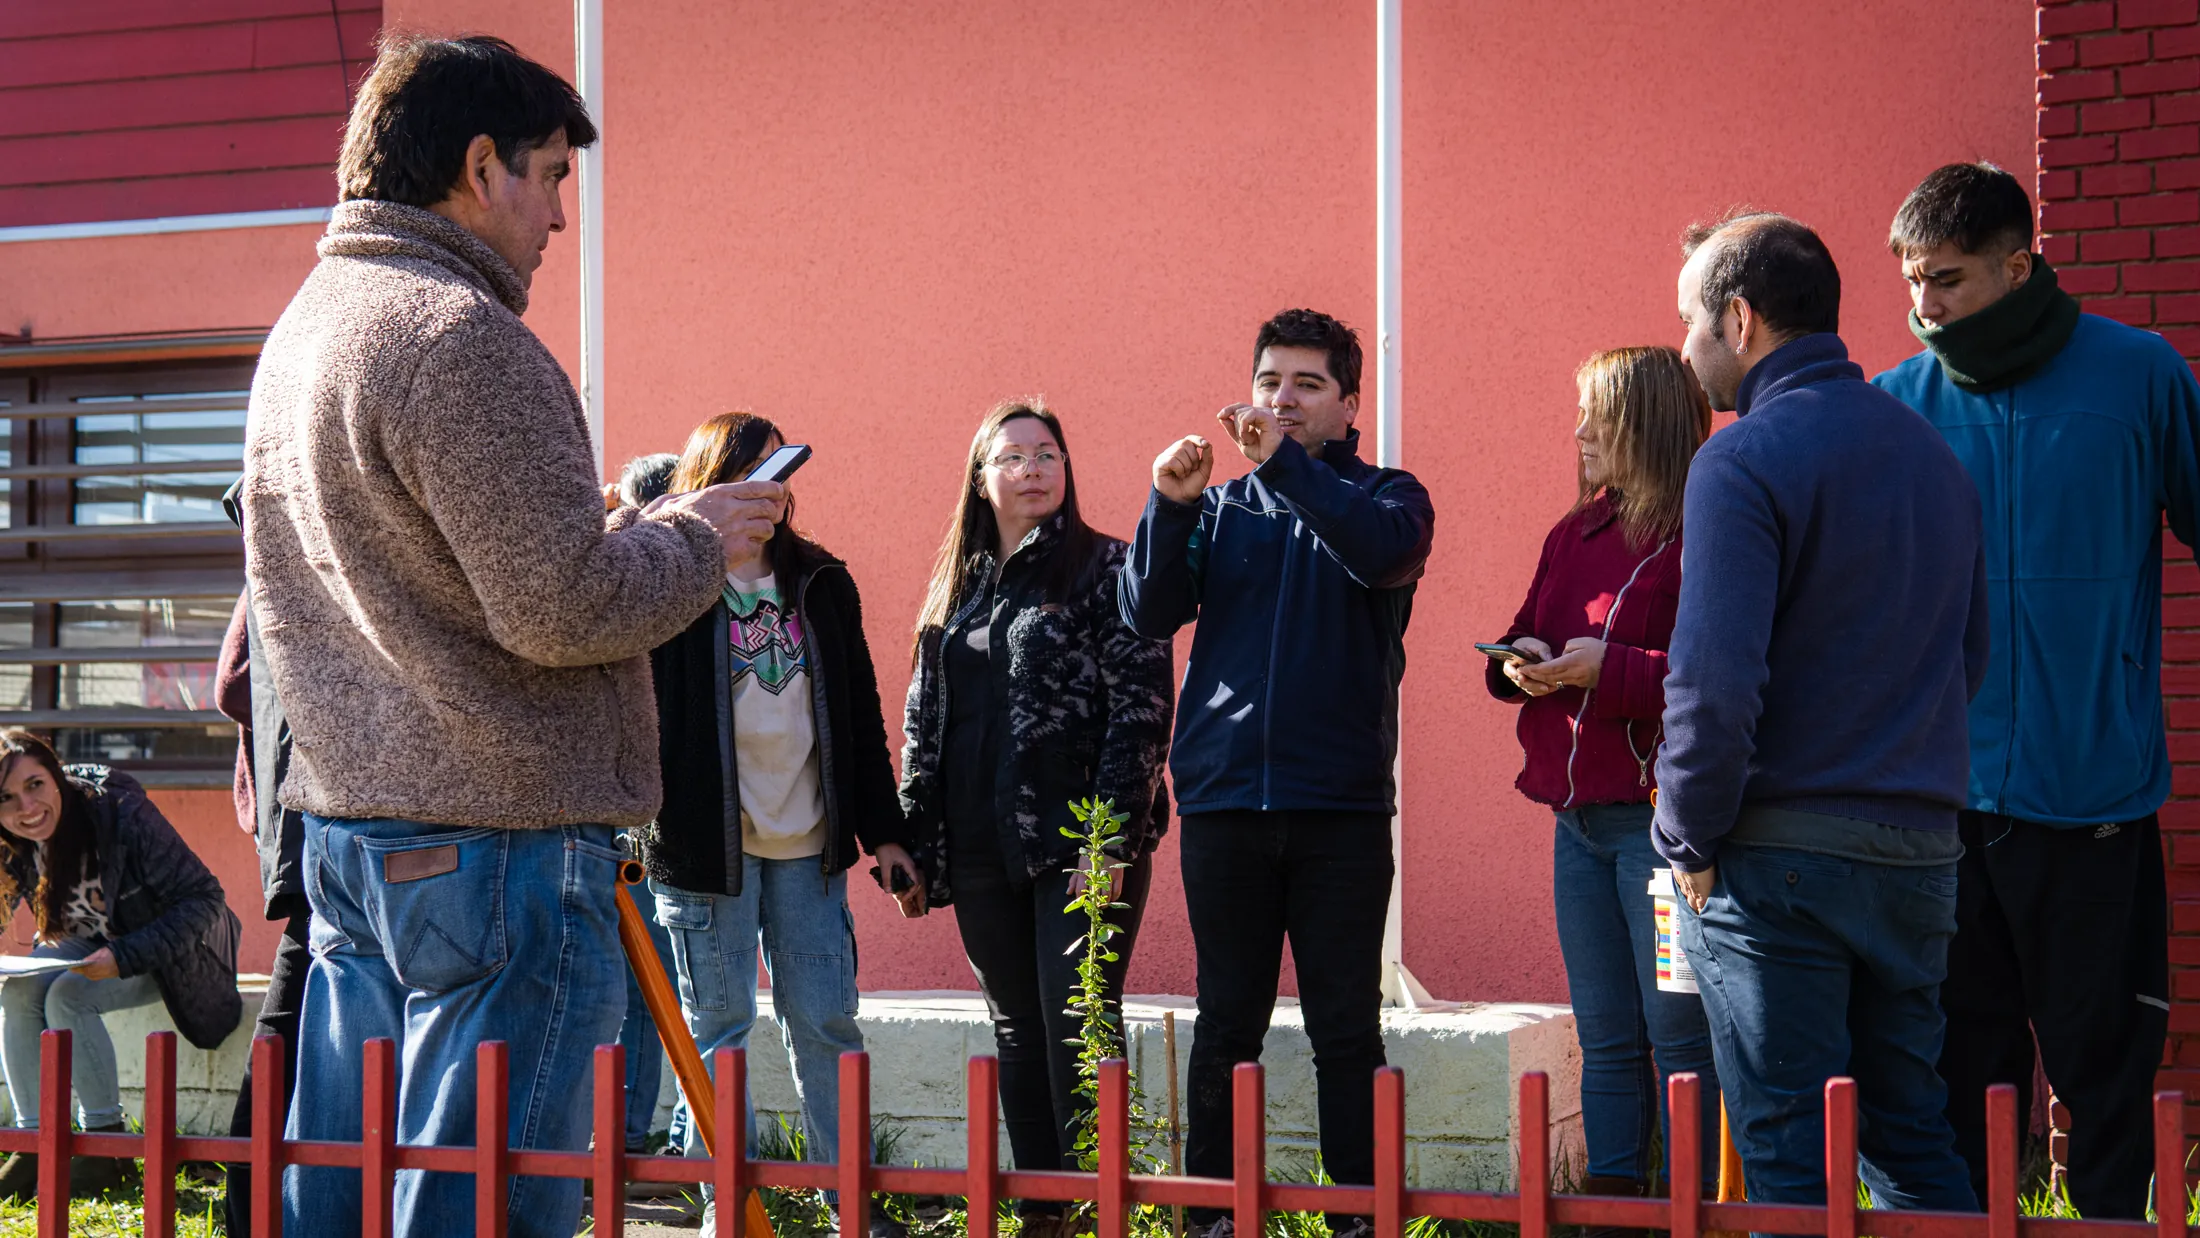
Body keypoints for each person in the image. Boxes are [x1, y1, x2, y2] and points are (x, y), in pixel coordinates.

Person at [240, 35, 783, 1238]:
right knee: (481, 1197)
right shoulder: (460, 338)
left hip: (353, 827)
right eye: (547, 176)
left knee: (341, 1177)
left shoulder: (305, 333)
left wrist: (602, 533)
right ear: (479, 167)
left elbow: (407, 573)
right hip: (501, 840)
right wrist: (693, 537)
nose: (555, 218)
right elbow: (564, 609)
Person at [1873, 162, 2194, 1219]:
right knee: (1957, 1070)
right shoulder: (1889, 405)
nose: (1924, 305)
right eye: (1911, 281)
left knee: (2107, 1070)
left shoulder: (2139, 375)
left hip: (2093, 793)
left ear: (2019, 265)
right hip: (1938, 808)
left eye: (1948, 280)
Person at [1656, 212, 1986, 1211]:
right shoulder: (1932, 455)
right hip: (1918, 846)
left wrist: (1686, 835)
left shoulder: (1741, 457)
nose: (1685, 347)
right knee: (1909, 1137)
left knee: (1788, 1155)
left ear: (1740, 319)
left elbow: (1711, 679)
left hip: (1778, 854)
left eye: (1690, 321)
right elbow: (1966, 654)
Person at [1122, 308, 1434, 1238]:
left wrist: (1283, 467)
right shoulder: (1220, 507)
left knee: (1347, 1029)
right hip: (1223, 804)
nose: (1282, 401)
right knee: (1227, 1026)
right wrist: (1170, 504)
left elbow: (1382, 558)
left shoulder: (1390, 494)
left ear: (1347, 402)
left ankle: (1358, 1219)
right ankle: (1212, 1220)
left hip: (1339, 806)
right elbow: (1148, 611)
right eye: (1268, 382)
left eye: (1305, 385)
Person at [899, 399, 1173, 1238]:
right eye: (1013, 456)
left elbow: (1143, 711)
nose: (1034, 468)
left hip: (1078, 846)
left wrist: (1112, 840)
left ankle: (1107, 1206)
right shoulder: (962, 583)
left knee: (1078, 1021)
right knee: (1016, 1027)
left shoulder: (1106, 569)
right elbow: (925, 716)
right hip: (981, 843)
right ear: (982, 480)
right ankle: (1047, 1213)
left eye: (1048, 452)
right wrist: (913, 833)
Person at [643, 412, 920, 1237]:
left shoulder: (820, 581)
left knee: (827, 1023)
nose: (770, 491)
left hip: (809, 849)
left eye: (780, 472)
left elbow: (861, 719)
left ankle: (851, 1208)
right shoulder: (670, 581)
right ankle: (725, 1212)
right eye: (750, 475)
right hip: (703, 853)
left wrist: (888, 833)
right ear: (709, 483)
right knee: (718, 1031)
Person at [1487, 346, 1717, 1208]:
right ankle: (1614, 1208)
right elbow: (1524, 629)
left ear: (1646, 423)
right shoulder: (1570, 532)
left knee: (1677, 1033)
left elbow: (1717, 673)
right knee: (1606, 1034)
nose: (1579, 431)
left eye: (1598, 414)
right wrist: (1521, 661)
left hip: (1658, 831)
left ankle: (1698, 1210)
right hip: (1575, 827)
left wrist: (1605, 669)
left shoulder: (1701, 530)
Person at [0, 730, 242, 1201]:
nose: (26, 807)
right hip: (84, 944)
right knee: (18, 991)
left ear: (56, 776)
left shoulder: (120, 814)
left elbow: (204, 899)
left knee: (68, 998)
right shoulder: (12, 840)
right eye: (6, 797)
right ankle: (32, 1146)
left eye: (34, 785)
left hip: (159, 949)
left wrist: (123, 956)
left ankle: (106, 1151)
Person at [214, 481, 308, 1235]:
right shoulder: (281, 562)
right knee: (293, 1016)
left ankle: (252, 1209)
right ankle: (248, 1210)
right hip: (311, 829)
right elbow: (235, 685)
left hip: (308, 825)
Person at [607, 451, 687, 1165]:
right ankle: (644, 1136)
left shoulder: (628, 581)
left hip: (632, 819)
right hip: (655, 818)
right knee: (666, 989)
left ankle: (627, 1135)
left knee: (639, 988)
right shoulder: (681, 580)